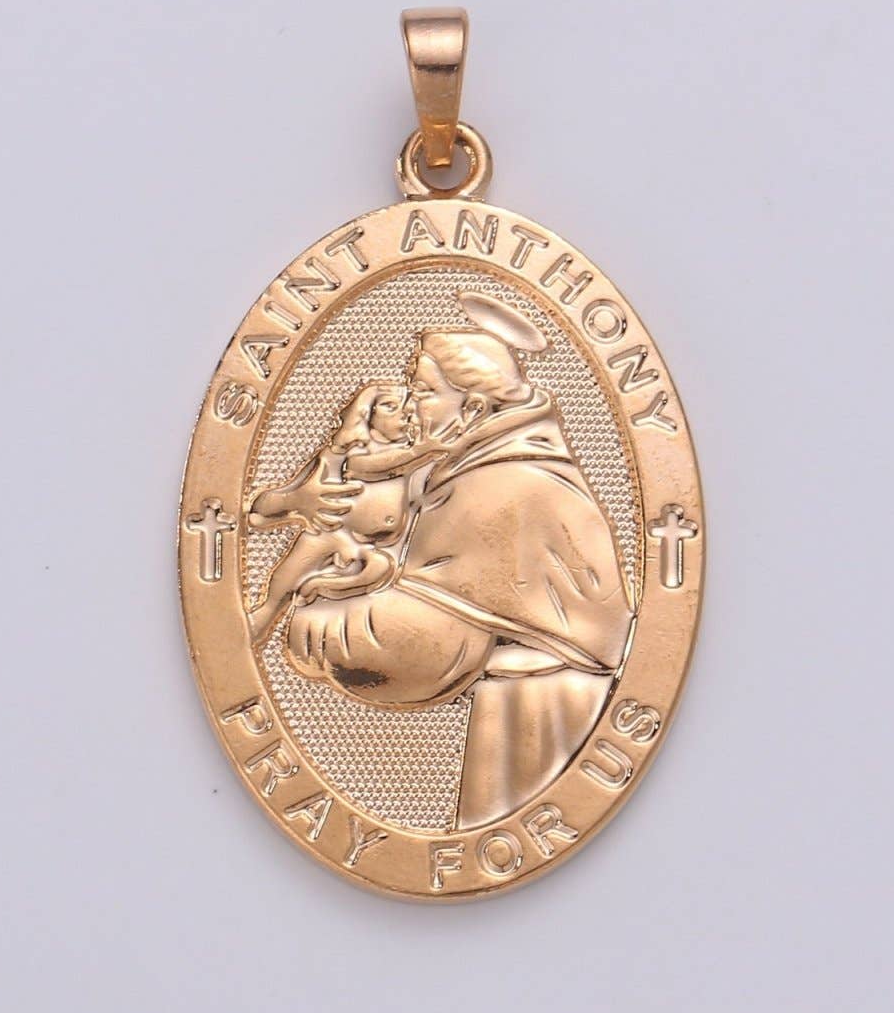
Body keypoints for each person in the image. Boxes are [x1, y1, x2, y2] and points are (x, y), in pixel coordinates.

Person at [266, 294, 633, 828]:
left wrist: (310, 627)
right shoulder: (484, 466)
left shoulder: (501, 485)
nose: (411, 405)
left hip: (544, 715)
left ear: (474, 410)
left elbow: (421, 649)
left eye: (423, 392)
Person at [247, 382, 441, 640]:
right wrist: (421, 452)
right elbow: (367, 466)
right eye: (390, 406)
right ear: (366, 414)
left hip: (370, 547)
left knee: (381, 568)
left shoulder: (413, 460)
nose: (404, 412)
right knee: (291, 573)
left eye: (408, 406)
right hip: (331, 534)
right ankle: (263, 617)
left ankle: (320, 585)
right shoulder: (355, 452)